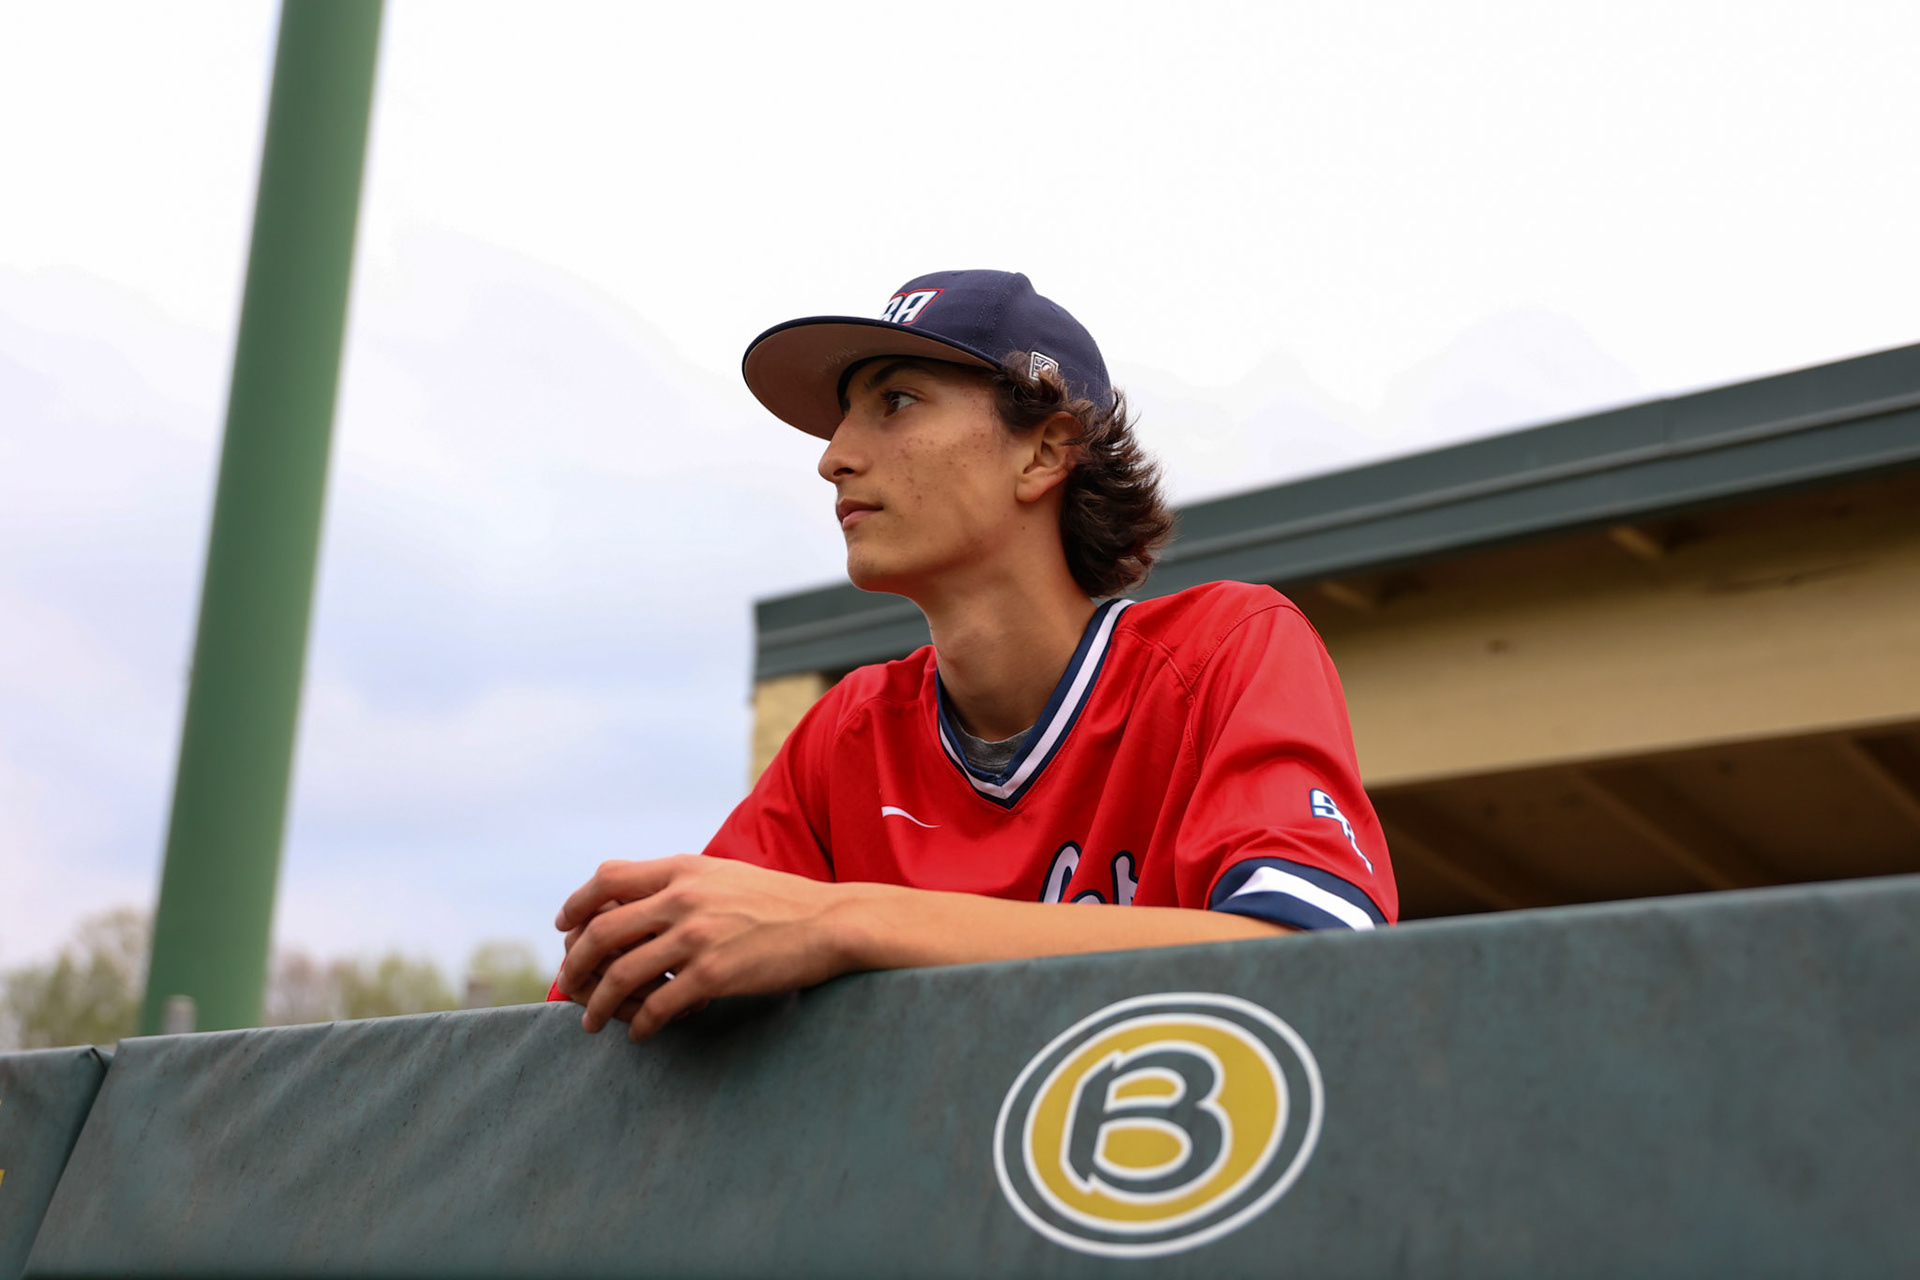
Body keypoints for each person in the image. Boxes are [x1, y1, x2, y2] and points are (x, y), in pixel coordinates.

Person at [551, 270, 1396, 1040]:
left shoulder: (1224, 649)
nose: (834, 456)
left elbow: (1319, 962)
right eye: (845, 415)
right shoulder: (848, 732)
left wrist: (849, 923)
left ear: (1044, 450)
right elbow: (651, 996)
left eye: (897, 401)